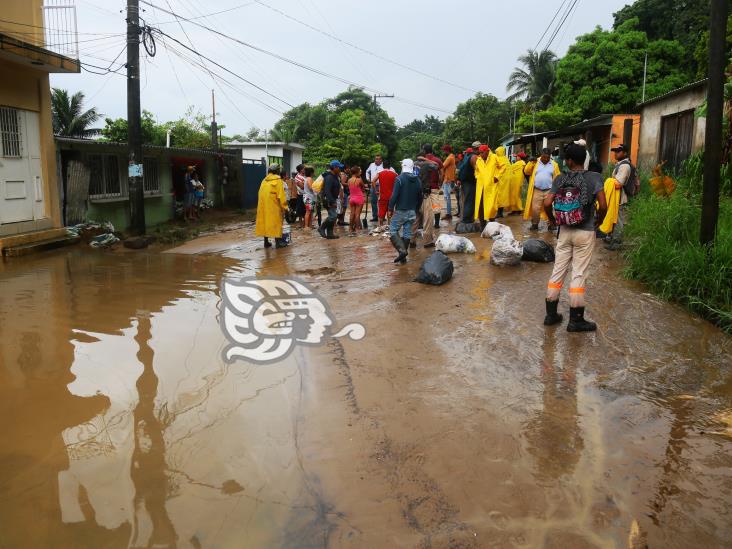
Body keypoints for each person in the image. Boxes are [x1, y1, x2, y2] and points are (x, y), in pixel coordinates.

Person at [542, 142, 607, 332]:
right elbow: (603, 206)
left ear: (569, 161)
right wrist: (599, 222)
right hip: (585, 232)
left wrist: (554, 221)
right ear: (584, 159)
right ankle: (576, 320)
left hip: (564, 232)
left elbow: (547, 202)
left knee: (557, 272)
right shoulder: (595, 177)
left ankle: (551, 315)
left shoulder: (560, 179)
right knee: (578, 273)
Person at [604, 143, 639, 250]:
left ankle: (617, 242)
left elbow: (618, 184)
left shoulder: (624, 166)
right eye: (615, 151)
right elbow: (638, 183)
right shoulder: (625, 164)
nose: (616, 153)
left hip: (620, 197)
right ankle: (611, 237)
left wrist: (608, 182)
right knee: (615, 218)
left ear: (625, 153)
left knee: (618, 220)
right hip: (618, 197)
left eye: (618, 151)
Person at [388, 158, 423, 264]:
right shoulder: (418, 180)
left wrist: (390, 208)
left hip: (401, 210)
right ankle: (403, 258)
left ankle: (402, 251)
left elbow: (394, 196)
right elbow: (420, 197)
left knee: (393, 230)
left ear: (403, 166)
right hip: (412, 211)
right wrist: (416, 209)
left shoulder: (399, 179)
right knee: (407, 233)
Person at [524, 148, 561, 231]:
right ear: (541, 155)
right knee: (535, 208)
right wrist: (530, 163)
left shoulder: (554, 164)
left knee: (549, 208)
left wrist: (557, 189)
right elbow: (526, 172)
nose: (546, 159)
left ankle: (551, 224)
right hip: (537, 189)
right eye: (544, 157)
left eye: (548, 157)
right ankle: (535, 224)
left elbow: (558, 177)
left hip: (549, 190)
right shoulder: (535, 162)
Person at [413, 144, 443, 248]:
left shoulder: (413, 164)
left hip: (415, 195)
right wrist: (426, 160)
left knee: (416, 218)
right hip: (425, 194)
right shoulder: (427, 163)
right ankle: (427, 241)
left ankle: (411, 241)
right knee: (428, 217)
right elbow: (437, 166)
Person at [255, 165, 289, 249]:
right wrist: (285, 207)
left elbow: (260, 193)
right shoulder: (278, 181)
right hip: (274, 206)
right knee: (277, 222)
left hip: (263, 205)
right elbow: (281, 196)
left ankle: (266, 242)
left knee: (265, 222)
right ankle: (278, 242)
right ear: (277, 171)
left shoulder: (264, 180)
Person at [318, 160, 344, 240]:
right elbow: (327, 190)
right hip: (329, 199)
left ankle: (330, 233)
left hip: (333, 198)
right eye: (339, 167)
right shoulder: (329, 177)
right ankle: (322, 228)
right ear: (334, 168)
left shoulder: (334, 176)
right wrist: (332, 201)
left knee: (332, 216)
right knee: (333, 216)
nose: (340, 169)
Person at [474, 144, 496, 226]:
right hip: (481, 187)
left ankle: (492, 225)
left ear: (487, 152)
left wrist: (497, 176)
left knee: (491, 206)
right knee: (480, 206)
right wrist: (477, 177)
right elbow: (476, 171)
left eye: (482, 153)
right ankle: (482, 226)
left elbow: (502, 167)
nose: (480, 154)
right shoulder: (478, 160)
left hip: (490, 186)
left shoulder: (494, 157)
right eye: (479, 153)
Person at [457, 147, 477, 223]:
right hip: (469, 182)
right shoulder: (473, 157)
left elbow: (460, 170)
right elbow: (476, 170)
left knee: (466, 200)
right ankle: (466, 219)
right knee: (469, 200)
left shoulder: (465, 159)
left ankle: (466, 218)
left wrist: (459, 179)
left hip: (464, 181)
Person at [375, 159, 397, 226]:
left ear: (383, 166)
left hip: (382, 197)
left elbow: (373, 181)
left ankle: (381, 227)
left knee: (381, 213)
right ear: (390, 166)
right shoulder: (395, 174)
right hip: (391, 197)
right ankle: (390, 227)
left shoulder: (380, 173)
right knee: (390, 212)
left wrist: (376, 190)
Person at [347, 166, 366, 234]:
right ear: (357, 172)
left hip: (351, 198)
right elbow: (363, 188)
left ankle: (350, 228)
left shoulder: (349, 180)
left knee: (352, 214)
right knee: (357, 214)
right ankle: (358, 229)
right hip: (359, 198)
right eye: (359, 172)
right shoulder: (359, 180)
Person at [492, 146, 510, 218]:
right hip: (505, 180)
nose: (496, 153)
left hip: (500, 179)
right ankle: (500, 212)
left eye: (497, 152)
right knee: (502, 196)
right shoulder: (506, 159)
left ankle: (499, 213)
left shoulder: (498, 159)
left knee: (499, 196)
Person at [365, 154, 384, 222]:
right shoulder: (371, 165)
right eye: (376, 159)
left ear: (381, 160)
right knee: (373, 201)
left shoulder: (383, 166)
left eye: (378, 159)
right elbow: (367, 171)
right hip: (373, 185)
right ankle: (375, 216)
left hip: (381, 185)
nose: (377, 160)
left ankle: (382, 216)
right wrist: (368, 178)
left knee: (381, 201)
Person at [441, 145, 456, 220]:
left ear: (447, 150)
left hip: (448, 179)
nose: (443, 152)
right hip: (448, 179)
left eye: (444, 150)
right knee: (447, 197)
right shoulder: (452, 157)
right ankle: (448, 213)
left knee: (447, 197)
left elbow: (442, 166)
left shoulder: (449, 158)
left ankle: (449, 214)